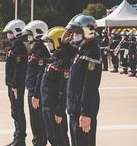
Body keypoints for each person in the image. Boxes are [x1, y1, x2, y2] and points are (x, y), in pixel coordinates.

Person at [66, 14, 102, 146]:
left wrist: (86, 113)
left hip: (84, 110)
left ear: (87, 32)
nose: (73, 35)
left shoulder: (92, 52)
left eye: (77, 32)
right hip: (75, 108)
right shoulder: (82, 50)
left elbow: (90, 86)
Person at [40, 27, 75, 146]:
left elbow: (64, 88)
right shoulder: (54, 58)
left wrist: (60, 110)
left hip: (55, 107)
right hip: (47, 104)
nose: (48, 45)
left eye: (50, 42)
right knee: (51, 136)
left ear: (58, 42)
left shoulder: (64, 61)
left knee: (60, 138)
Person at [23, 20, 50, 146]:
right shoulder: (35, 49)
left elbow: (40, 75)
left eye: (30, 34)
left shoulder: (41, 51)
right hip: (32, 91)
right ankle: (37, 141)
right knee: (34, 121)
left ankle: (40, 143)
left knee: (38, 121)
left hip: (36, 93)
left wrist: (36, 95)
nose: (28, 36)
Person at [3, 20, 28, 146]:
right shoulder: (14, 46)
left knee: (18, 111)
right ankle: (17, 135)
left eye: (10, 32)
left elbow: (19, 70)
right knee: (14, 111)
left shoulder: (20, 48)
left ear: (17, 32)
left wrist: (14, 85)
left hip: (16, 86)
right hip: (11, 85)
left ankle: (21, 139)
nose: (8, 34)